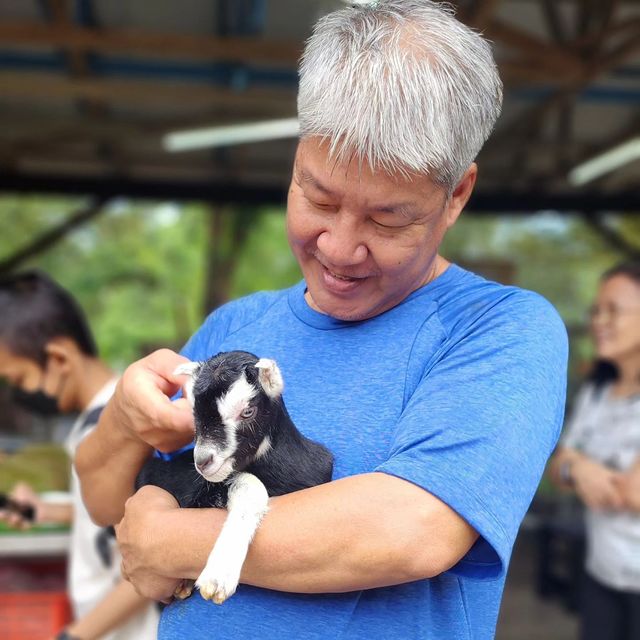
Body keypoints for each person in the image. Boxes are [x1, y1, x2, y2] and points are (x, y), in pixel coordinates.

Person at [75, 2, 568, 639]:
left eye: (388, 219)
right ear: (296, 159)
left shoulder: (499, 330)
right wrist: (123, 420)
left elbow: (409, 529)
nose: (337, 247)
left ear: (458, 196)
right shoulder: (234, 328)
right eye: (318, 196)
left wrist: (171, 541)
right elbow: (104, 503)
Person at [0, 271, 160, 640]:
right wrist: (41, 509)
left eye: (20, 381)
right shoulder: (102, 418)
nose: (21, 394)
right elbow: (107, 515)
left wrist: (75, 635)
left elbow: (154, 554)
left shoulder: (113, 430)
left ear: (58, 359)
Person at [549, 262, 640, 640]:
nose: (599, 320)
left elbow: (630, 495)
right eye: (596, 310)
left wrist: (578, 464)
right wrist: (579, 471)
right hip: (600, 574)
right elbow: (557, 471)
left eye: (614, 310)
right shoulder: (596, 394)